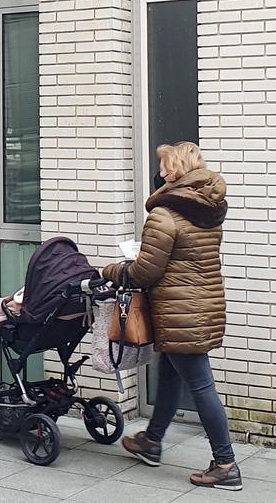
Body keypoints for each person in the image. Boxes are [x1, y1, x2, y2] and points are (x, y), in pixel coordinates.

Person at [102, 141, 240, 491]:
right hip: (201, 304)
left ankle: (225, 464)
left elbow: (146, 272)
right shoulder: (208, 211)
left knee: (202, 387)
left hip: (181, 311)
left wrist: (113, 270)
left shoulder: (164, 215)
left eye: (164, 166)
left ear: (174, 170)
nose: (160, 172)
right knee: (170, 376)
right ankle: (152, 440)